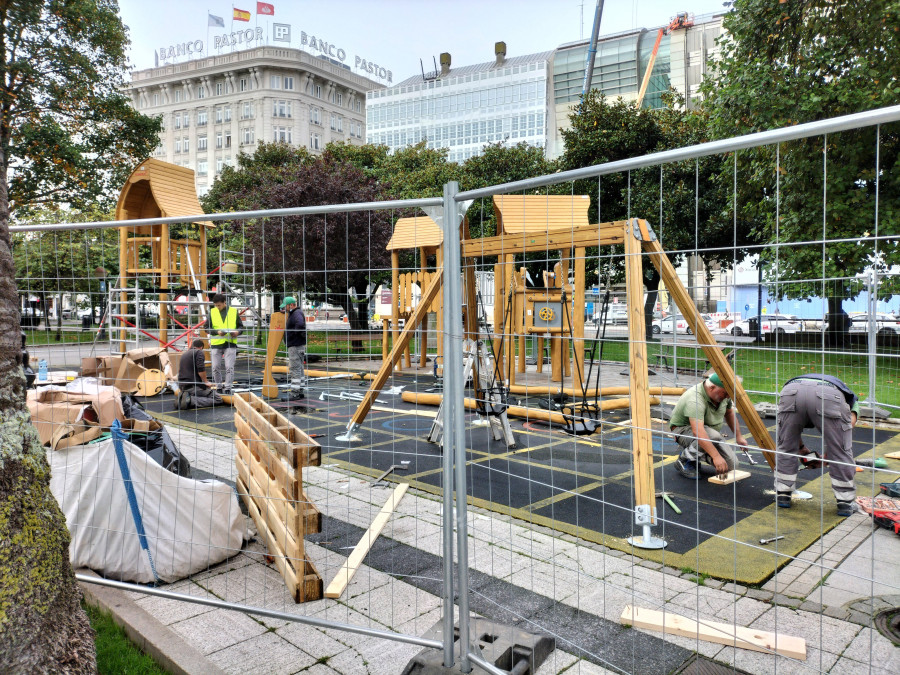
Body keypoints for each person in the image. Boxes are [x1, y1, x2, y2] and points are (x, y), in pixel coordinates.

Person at [774, 374, 859, 516]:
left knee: (785, 446)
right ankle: (845, 503)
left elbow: (789, 435)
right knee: (842, 451)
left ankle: (783, 494)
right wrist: (830, 453)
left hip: (791, 390)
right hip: (828, 395)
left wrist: (800, 448)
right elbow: (846, 430)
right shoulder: (852, 401)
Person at [670, 372, 748, 478]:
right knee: (713, 436)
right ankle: (685, 459)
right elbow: (698, 431)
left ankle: (697, 453)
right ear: (711, 387)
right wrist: (715, 457)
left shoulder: (724, 393)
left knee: (731, 466)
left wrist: (739, 437)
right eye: (725, 394)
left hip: (710, 433)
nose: (727, 397)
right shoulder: (695, 399)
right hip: (684, 430)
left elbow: (729, 413)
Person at [209, 293, 243, 395]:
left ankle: (228, 387)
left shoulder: (233, 311)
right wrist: (217, 332)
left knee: (229, 367)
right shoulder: (212, 312)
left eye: (219, 305)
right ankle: (218, 387)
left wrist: (237, 332)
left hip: (230, 343)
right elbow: (207, 327)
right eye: (215, 305)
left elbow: (241, 327)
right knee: (215, 367)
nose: (217, 307)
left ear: (225, 303)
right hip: (216, 343)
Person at [176, 338, 222, 409]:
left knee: (202, 393)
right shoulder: (198, 352)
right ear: (201, 347)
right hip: (193, 386)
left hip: (183, 386)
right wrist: (206, 382)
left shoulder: (184, 354)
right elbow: (200, 368)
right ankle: (191, 400)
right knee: (218, 399)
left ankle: (185, 398)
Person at [281, 296, 307, 398]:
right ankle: (300, 390)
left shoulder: (296, 313)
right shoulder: (296, 313)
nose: (285, 309)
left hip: (295, 345)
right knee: (299, 368)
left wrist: (292, 334)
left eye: (286, 307)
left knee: (295, 369)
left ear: (291, 305)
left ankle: (294, 392)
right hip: (297, 345)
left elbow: (300, 324)